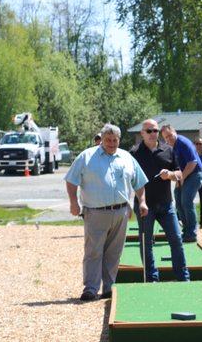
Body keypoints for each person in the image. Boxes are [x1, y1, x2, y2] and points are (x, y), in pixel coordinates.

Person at [65, 124, 148, 301]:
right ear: (101, 140)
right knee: (93, 251)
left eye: (115, 140)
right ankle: (91, 288)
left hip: (121, 211)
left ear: (119, 140)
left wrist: (142, 201)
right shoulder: (86, 156)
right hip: (95, 212)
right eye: (108, 140)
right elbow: (71, 180)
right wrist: (73, 202)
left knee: (114, 252)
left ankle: (109, 287)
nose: (111, 143)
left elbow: (139, 182)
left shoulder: (126, 157)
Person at [130, 119, 190, 281]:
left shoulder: (169, 150)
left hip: (166, 205)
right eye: (148, 131)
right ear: (142, 133)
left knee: (176, 239)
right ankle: (152, 278)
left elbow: (180, 175)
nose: (152, 134)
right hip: (144, 206)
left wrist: (170, 175)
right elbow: (129, 180)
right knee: (146, 243)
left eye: (155, 130)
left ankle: (183, 277)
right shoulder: (134, 153)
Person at [160, 124, 202, 242]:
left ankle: (192, 233)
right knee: (178, 201)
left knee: (186, 201)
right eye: (166, 137)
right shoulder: (172, 147)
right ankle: (186, 231)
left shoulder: (183, 142)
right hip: (185, 175)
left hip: (194, 174)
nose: (168, 139)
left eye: (170, 135)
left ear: (175, 131)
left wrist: (181, 178)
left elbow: (192, 163)